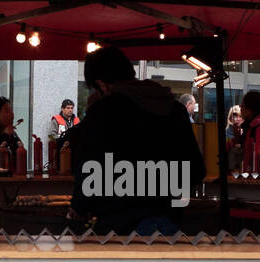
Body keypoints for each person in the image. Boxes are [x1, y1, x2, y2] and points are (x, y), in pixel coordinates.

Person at [68, 47, 205, 235]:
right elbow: (196, 170)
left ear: (102, 85)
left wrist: (79, 208)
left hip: (117, 230)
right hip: (168, 224)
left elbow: (87, 175)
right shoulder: (174, 110)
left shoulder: (101, 115)